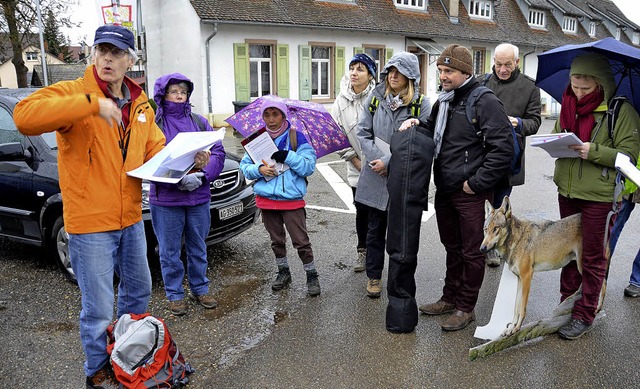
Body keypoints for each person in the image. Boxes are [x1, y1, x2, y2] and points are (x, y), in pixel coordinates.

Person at [13, 25, 210, 388]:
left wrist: (188, 160)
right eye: (102, 50)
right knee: (99, 309)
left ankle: (128, 360)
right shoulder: (76, 92)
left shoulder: (140, 105)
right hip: (89, 224)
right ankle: (97, 372)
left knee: (137, 295)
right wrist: (91, 104)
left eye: (117, 52)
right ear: (93, 54)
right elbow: (24, 117)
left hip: (131, 217)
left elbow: (155, 151)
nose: (108, 58)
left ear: (130, 61)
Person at [407, 44, 513, 331]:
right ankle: (449, 297)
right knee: (452, 247)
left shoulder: (484, 101)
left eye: (449, 71)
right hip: (445, 188)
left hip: (469, 192)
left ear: (465, 72)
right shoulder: (444, 101)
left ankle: (467, 307)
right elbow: (434, 131)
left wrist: (476, 184)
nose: (443, 75)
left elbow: (503, 149)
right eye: (441, 70)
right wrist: (418, 123)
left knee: (471, 251)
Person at [552, 53, 639, 340]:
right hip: (567, 191)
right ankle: (567, 306)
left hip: (599, 197)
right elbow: (556, 134)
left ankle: (585, 313)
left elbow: (629, 155)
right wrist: (556, 142)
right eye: (574, 86)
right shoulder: (568, 105)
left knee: (592, 257)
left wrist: (596, 151)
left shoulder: (621, 111)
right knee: (568, 254)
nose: (578, 93)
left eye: (585, 89)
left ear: (601, 84)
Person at [356, 52, 431, 298]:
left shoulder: (422, 104)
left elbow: (424, 141)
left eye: (399, 71)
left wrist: (389, 161)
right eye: (390, 71)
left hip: (403, 178)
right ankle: (374, 276)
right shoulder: (375, 99)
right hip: (375, 174)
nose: (393, 75)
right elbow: (362, 132)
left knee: (399, 235)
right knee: (375, 230)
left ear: (410, 76)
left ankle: (397, 282)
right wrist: (377, 159)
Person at [151, 73, 226, 316]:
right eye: (174, 91)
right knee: (169, 250)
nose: (179, 95)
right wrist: (177, 178)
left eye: (183, 91)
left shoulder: (199, 121)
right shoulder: (154, 124)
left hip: (198, 196)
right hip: (167, 199)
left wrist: (204, 174)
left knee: (198, 246)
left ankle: (200, 288)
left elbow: (218, 152)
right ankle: (175, 295)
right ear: (163, 94)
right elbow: (149, 158)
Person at [239, 97, 320, 296]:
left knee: (301, 241)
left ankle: (311, 274)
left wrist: (288, 156)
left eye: (275, 114)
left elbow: (308, 167)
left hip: (291, 200)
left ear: (284, 115)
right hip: (267, 200)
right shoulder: (257, 141)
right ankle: (283, 272)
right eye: (266, 114)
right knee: (276, 241)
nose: (271, 119)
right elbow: (245, 168)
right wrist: (259, 169)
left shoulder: (296, 137)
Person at [481, 43, 542, 267]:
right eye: (498, 64)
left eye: (508, 64)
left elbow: (535, 122)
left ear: (517, 62)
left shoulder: (530, 87)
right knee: (479, 202)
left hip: (509, 158)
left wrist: (518, 122)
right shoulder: (483, 82)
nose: (503, 69)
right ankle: (480, 243)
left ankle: (494, 247)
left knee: (498, 205)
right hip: (482, 155)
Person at [330, 53, 377, 272]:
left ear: (370, 74)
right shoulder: (340, 101)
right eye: (352, 68)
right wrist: (355, 160)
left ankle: (377, 252)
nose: (354, 73)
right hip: (356, 166)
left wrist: (378, 160)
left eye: (360, 69)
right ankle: (363, 251)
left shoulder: (378, 97)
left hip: (379, 165)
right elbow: (335, 135)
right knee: (362, 210)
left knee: (378, 212)